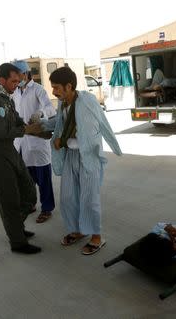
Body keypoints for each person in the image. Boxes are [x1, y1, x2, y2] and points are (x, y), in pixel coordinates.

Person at [42, 66, 122, 255]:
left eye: (56, 88)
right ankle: (78, 230)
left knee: (89, 198)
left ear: (69, 86)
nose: (53, 92)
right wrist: (42, 125)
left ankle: (96, 236)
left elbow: (95, 126)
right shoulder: (63, 104)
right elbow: (60, 123)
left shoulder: (87, 101)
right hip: (71, 156)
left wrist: (65, 137)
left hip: (89, 156)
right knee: (68, 197)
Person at [0, 63, 43, 254]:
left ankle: (16, 227)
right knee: (9, 199)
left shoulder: (7, 99)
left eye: (18, 81)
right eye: (14, 81)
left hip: (10, 150)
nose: (17, 84)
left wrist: (29, 124)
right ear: (2, 80)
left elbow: (16, 122)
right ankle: (17, 241)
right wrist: (25, 130)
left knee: (29, 191)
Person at [11, 60, 56, 224]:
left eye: (18, 75)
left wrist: (40, 113)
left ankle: (47, 208)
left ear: (26, 73)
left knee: (43, 179)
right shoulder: (15, 92)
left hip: (37, 142)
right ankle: (30, 204)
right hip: (21, 143)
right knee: (26, 179)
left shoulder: (38, 89)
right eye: (14, 76)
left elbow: (51, 109)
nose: (16, 79)